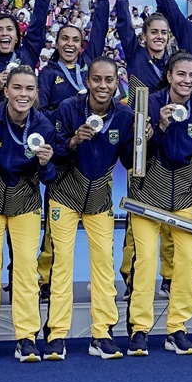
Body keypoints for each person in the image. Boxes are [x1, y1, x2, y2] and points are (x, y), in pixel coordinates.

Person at [44, 56, 135, 361]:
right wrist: (72, 141)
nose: (103, 86)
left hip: (98, 198)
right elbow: (51, 151)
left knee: (103, 266)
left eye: (109, 80)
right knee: (62, 265)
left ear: (116, 82)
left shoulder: (124, 115)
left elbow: (129, 161)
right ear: (87, 81)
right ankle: (56, 334)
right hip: (65, 194)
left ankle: (103, 333)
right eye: (97, 79)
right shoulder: (69, 108)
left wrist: (142, 141)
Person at [125, 52, 192, 357]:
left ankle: (177, 328)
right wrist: (159, 128)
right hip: (148, 197)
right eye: (181, 74)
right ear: (169, 74)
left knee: (189, 261)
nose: (187, 81)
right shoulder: (147, 105)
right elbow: (135, 156)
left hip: (184, 201)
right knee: (146, 261)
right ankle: (140, 328)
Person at [0, 65, 57, 363]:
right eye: (17, 88)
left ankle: (27, 337)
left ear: (36, 94)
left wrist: (45, 163)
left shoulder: (43, 125)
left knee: (26, 270)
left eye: (29, 89)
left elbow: (49, 177)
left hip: (25, 203)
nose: (23, 94)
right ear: (6, 91)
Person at [34, 0, 109, 298]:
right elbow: (43, 117)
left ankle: (101, 283)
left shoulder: (91, 71)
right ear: (57, 42)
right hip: (64, 154)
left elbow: (102, 28)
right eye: (63, 38)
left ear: (82, 45)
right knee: (55, 226)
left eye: (74, 39)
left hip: (92, 157)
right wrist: (70, 113)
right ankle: (45, 279)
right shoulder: (49, 74)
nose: (69, 44)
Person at [114, 0, 175, 297]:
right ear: (144, 36)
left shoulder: (176, 67)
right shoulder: (137, 57)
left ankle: (168, 275)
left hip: (170, 142)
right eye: (154, 32)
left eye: (164, 33)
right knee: (138, 210)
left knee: (169, 208)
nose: (159, 37)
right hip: (141, 142)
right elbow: (123, 20)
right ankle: (131, 274)